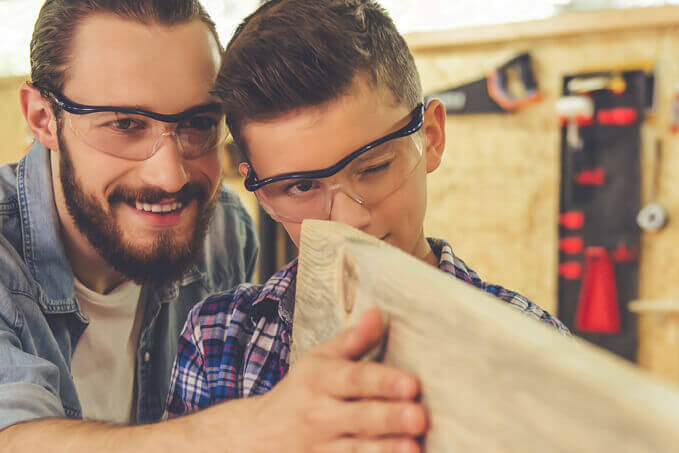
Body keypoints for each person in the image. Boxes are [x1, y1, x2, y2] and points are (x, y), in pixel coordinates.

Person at [0, 1, 427, 452]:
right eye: (125, 125)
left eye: (198, 125)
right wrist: (257, 431)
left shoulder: (221, 230)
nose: (171, 175)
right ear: (44, 118)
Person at [165, 0, 570, 428]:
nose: (349, 222)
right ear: (264, 196)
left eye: (374, 168)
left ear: (430, 137)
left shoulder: (533, 350)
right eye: (301, 187)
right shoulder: (218, 341)